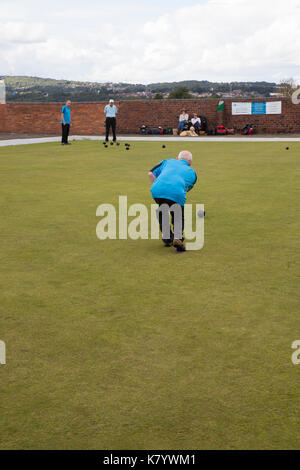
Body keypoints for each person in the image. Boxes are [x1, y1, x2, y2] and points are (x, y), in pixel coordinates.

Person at [148, 150, 197, 252]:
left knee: (163, 209)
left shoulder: (167, 161)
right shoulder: (192, 173)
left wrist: (159, 185)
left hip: (157, 190)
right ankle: (177, 238)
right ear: (190, 162)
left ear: (177, 158)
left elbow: (150, 174)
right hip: (176, 193)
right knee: (178, 214)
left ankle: (167, 238)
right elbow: (186, 189)